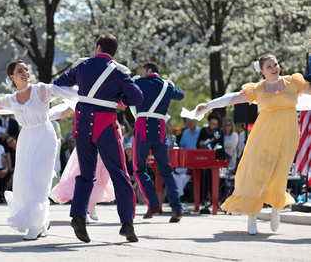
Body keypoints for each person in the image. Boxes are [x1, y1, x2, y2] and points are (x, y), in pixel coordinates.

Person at [0, 60, 78, 240]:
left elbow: (66, 91)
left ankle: (35, 225)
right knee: (24, 180)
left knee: (37, 179)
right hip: (25, 139)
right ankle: (40, 222)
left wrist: (94, 95)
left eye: (26, 70)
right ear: (11, 77)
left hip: (44, 136)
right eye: (20, 71)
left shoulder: (40, 90)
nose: (25, 73)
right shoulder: (11, 100)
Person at [193, 54, 311, 235]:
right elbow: (231, 98)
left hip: (288, 135)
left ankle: (276, 209)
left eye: (276, 64)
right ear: (262, 71)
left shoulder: (293, 82)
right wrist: (209, 105)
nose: (274, 68)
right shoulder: (257, 89)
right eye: (269, 66)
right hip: (263, 135)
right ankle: (252, 215)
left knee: (280, 172)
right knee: (257, 171)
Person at [53, 33, 143, 243]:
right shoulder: (119, 72)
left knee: (86, 174)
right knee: (119, 173)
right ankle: (127, 223)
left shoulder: (82, 67)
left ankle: (78, 216)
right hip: (106, 125)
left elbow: (60, 83)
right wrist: (119, 99)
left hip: (82, 123)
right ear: (113, 52)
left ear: (98, 47)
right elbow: (137, 97)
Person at [131, 62, 184, 222]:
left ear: (148, 71)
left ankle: (153, 204)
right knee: (166, 170)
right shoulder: (167, 86)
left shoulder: (140, 82)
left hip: (142, 129)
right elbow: (180, 95)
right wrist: (170, 85)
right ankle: (177, 208)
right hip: (160, 131)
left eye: (142, 71)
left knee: (139, 168)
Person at [50, 148, 115, 222]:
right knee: (84, 176)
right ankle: (82, 212)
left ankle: (91, 205)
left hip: (101, 147)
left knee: (101, 178)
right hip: (86, 144)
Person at [196, 112, 225, 211]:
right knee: (204, 179)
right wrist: (201, 143)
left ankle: (216, 200)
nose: (212, 126)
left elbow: (221, 146)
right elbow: (198, 144)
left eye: (214, 124)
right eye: (211, 123)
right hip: (204, 159)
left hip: (216, 159)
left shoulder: (220, 131)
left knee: (215, 180)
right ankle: (203, 199)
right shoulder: (204, 130)